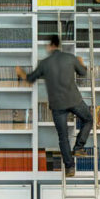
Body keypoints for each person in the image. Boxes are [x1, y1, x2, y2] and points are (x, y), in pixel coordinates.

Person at [15, 35, 93, 177]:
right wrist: (82, 63)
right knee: (88, 119)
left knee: (62, 137)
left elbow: (31, 79)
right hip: (74, 100)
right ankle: (79, 147)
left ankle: (70, 168)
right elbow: (83, 73)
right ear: (59, 45)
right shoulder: (70, 57)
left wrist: (21, 73)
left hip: (57, 105)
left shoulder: (45, 63)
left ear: (50, 45)